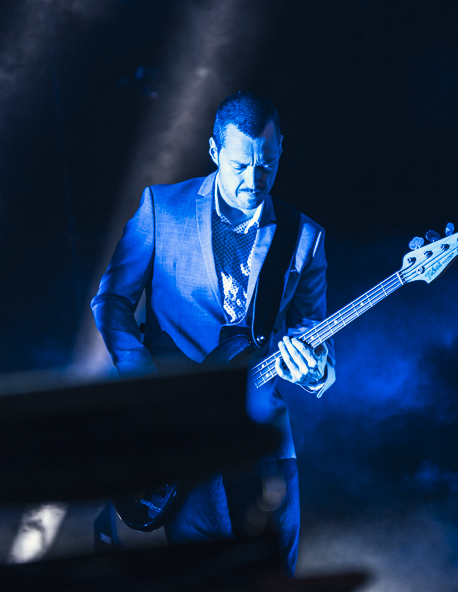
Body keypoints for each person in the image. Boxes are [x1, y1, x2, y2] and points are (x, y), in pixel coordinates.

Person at [92, 91, 336, 574]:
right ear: (213, 151)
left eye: (266, 164)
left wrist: (311, 371)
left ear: (280, 150)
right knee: (204, 578)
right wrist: (148, 383)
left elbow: (316, 340)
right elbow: (112, 301)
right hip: (185, 433)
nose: (254, 180)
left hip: (263, 440)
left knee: (273, 578)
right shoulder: (162, 208)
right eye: (240, 166)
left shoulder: (304, 237)